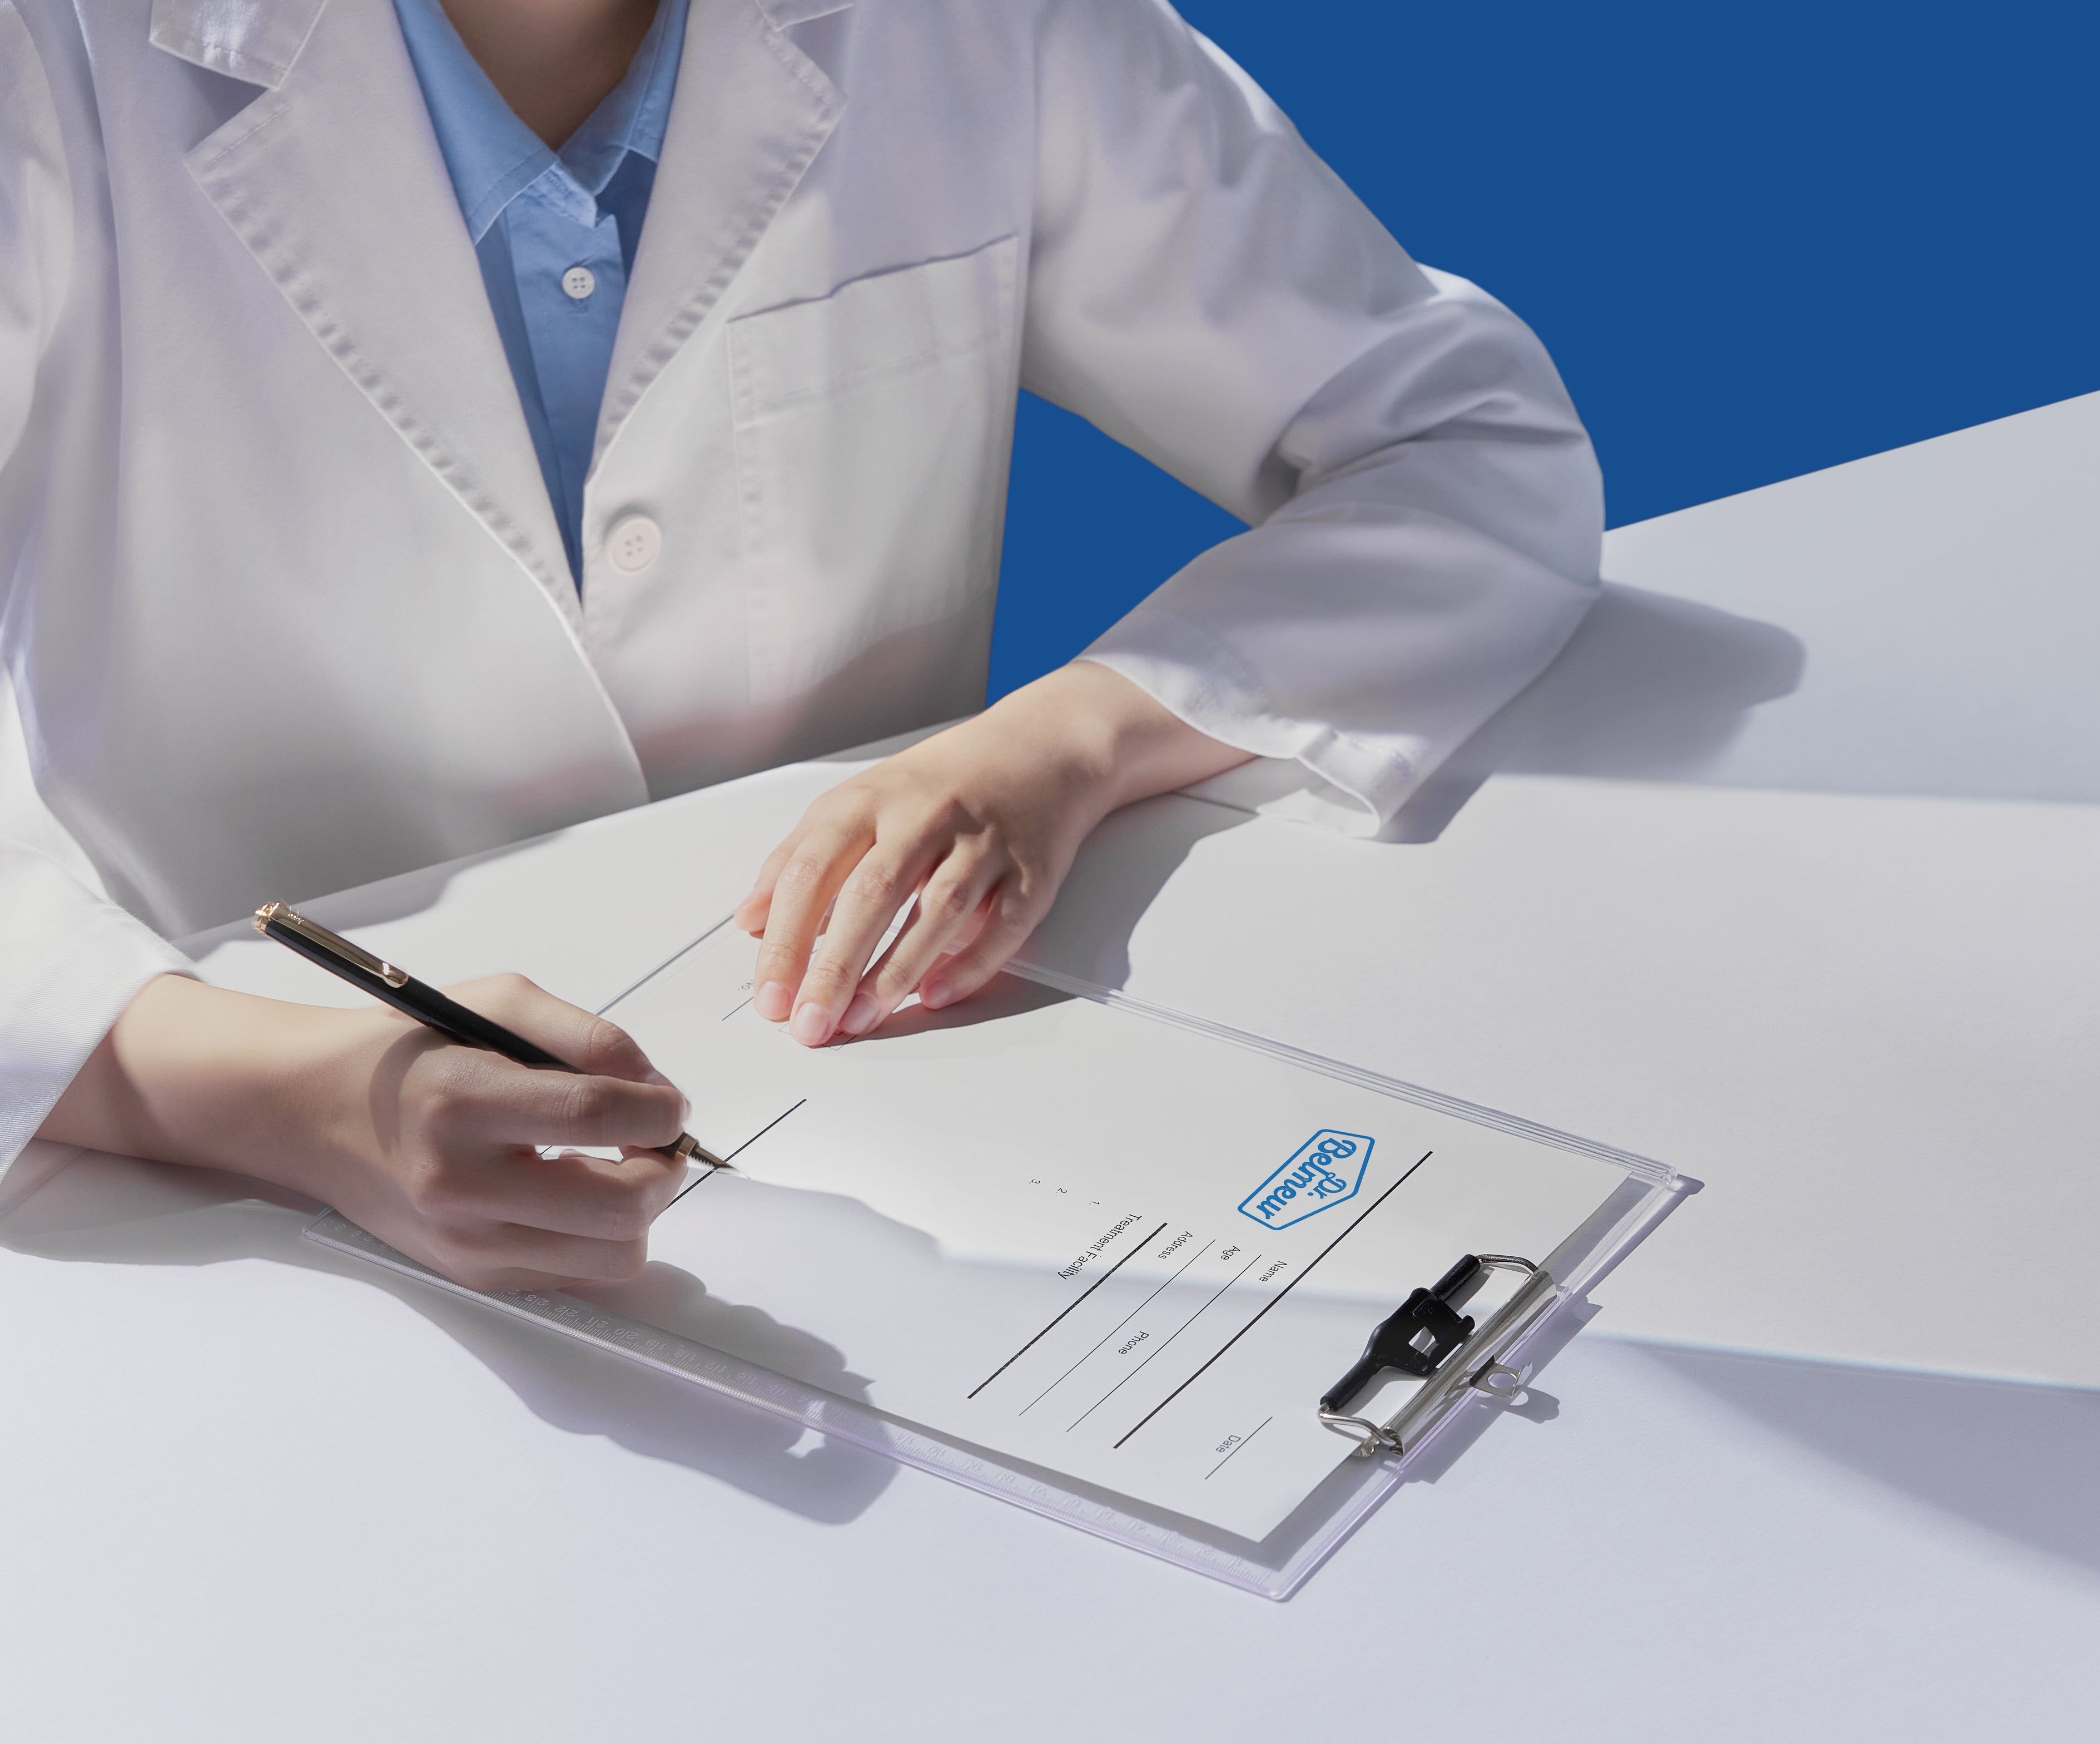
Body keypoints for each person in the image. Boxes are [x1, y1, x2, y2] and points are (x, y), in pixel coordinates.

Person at [1, 0, 1602, 1290]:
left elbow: (1465, 441)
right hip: (180, 1174)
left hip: (848, 1099)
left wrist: (1071, 740)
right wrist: (279, 1094)